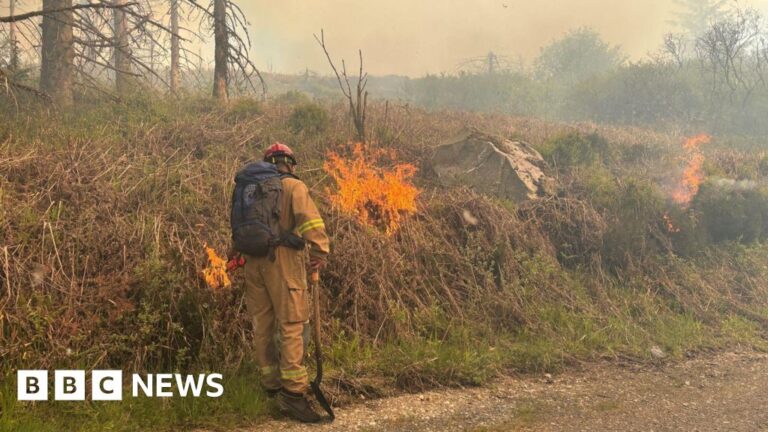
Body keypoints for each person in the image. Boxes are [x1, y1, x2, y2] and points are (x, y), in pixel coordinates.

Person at [238, 142, 330, 423]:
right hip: (283, 262)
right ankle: (293, 394)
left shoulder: (250, 189)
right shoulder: (293, 187)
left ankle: (272, 386)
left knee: (262, 325)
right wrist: (319, 251)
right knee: (292, 324)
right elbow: (310, 222)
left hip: (253, 262)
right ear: (290, 163)